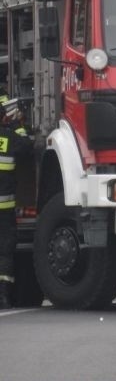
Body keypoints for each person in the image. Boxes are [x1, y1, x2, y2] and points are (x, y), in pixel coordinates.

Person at [0, 95, 33, 309]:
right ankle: (3, 296)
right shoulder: (10, 137)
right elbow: (27, 146)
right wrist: (18, 125)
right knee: (4, 252)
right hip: (5, 211)